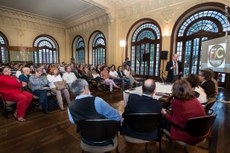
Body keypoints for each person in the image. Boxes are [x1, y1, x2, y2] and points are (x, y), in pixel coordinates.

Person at [161, 79, 206, 145]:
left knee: (161, 119)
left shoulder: (177, 102)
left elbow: (174, 121)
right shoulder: (194, 98)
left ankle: (164, 138)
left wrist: (164, 113)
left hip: (188, 136)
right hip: (201, 133)